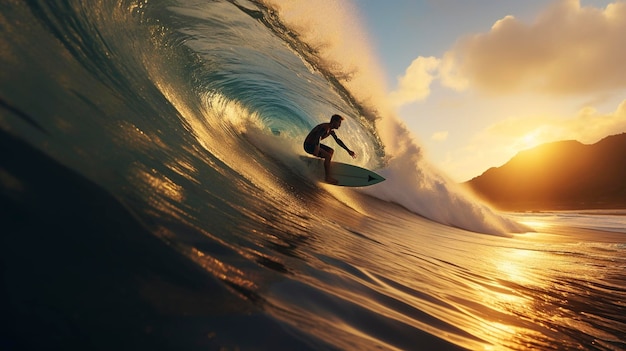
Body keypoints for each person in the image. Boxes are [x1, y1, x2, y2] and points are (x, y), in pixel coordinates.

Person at [303, 114, 356, 184]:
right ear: (334, 121)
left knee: (330, 151)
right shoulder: (325, 127)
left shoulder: (330, 130)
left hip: (313, 144)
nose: (340, 125)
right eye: (339, 123)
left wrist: (348, 150)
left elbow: (338, 141)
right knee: (328, 156)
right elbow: (318, 137)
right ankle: (327, 177)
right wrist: (317, 148)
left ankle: (321, 165)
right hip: (308, 145)